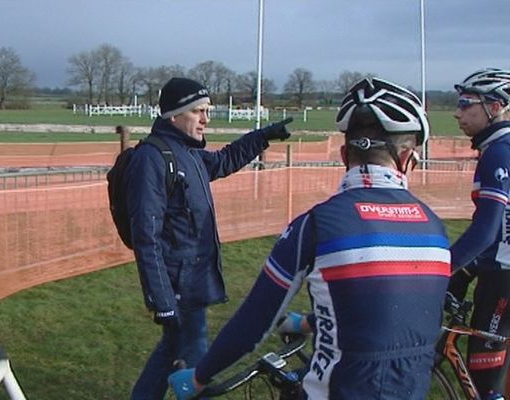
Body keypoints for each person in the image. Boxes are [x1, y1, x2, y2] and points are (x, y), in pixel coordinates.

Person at [168, 77, 451, 400]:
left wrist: (199, 377)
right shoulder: (435, 229)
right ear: (406, 160)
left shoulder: (315, 226)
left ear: (344, 155)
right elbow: (385, 316)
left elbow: (254, 322)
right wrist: (307, 323)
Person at [126, 77, 293, 400]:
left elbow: (223, 161)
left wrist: (262, 136)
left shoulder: (188, 152)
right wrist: (161, 300)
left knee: (171, 352)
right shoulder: (152, 158)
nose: (206, 119)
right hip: (179, 286)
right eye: (198, 111)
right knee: (196, 365)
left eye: (207, 111)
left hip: (194, 280)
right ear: (174, 115)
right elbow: (146, 238)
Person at [446, 68, 510, 400]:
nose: (457, 112)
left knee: (485, 384)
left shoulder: (499, 151)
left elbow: (486, 231)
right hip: (498, 270)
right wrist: (469, 269)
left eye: (466, 103)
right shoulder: (500, 148)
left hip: (504, 278)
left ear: (495, 106)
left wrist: (444, 271)